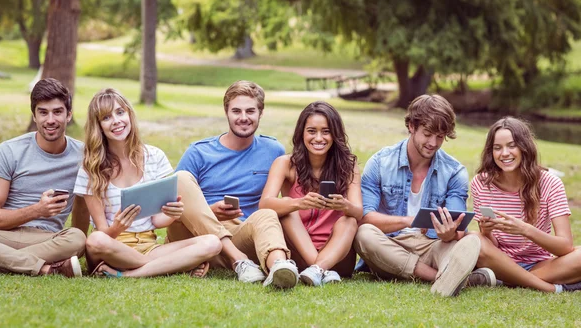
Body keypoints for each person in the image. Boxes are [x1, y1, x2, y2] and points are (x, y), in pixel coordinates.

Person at [354, 94, 492, 297]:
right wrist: (409, 221)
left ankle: (448, 272)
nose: (433, 143)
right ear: (411, 125)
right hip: (390, 245)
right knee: (363, 234)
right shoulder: (381, 162)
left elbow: (458, 226)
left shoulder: (454, 171)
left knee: (467, 242)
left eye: (440, 137)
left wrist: (451, 233)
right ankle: (440, 277)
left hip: (431, 245)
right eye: (427, 134)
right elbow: (365, 217)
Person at [166, 80, 300, 289]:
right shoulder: (199, 152)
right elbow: (171, 205)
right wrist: (210, 212)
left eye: (250, 111)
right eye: (236, 111)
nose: (243, 118)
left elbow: (282, 198)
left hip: (241, 233)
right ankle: (238, 260)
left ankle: (280, 268)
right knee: (181, 178)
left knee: (267, 214)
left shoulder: (273, 150)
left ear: (260, 113)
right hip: (196, 236)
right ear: (226, 112)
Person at [76, 88, 222, 278]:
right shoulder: (90, 168)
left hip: (148, 247)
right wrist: (117, 227)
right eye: (106, 117)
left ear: (129, 114)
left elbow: (157, 221)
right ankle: (172, 265)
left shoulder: (154, 156)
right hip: (112, 248)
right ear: (99, 126)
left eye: (120, 112)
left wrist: (172, 215)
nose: (116, 121)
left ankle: (129, 274)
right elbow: (103, 234)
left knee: (212, 242)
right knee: (95, 240)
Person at [0, 78, 86, 277]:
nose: (50, 120)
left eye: (57, 112)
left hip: (46, 239)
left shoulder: (83, 156)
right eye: (43, 112)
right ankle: (47, 268)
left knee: (77, 238)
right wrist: (37, 210)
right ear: (34, 116)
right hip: (2, 234)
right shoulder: (9, 150)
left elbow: (85, 206)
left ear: (69, 115)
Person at [470, 117, 581, 292]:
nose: (504, 153)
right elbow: (491, 246)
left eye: (511, 145)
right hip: (499, 261)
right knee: (474, 239)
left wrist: (524, 229)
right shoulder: (481, 183)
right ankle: (551, 288)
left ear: (525, 147)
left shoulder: (550, 183)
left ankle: (508, 281)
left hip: (541, 264)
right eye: (497, 148)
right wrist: (487, 231)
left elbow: (565, 246)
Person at [259, 101, 362, 286]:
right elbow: (264, 204)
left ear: (335, 134)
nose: (319, 138)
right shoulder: (285, 164)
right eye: (312, 131)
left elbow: (358, 212)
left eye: (326, 131)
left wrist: (345, 206)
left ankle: (317, 269)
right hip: (299, 253)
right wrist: (300, 203)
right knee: (287, 210)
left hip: (337, 258)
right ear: (302, 133)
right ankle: (319, 269)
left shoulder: (348, 166)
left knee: (350, 220)